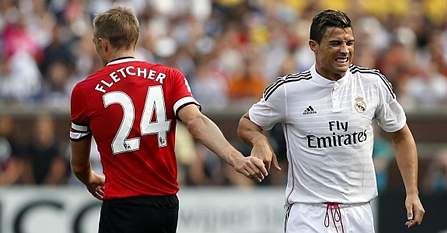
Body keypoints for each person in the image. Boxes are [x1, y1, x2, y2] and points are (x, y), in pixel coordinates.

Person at [69, 6, 268, 233]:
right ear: (135, 38)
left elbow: (79, 164)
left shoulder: (85, 90)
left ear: (103, 44)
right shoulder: (170, 76)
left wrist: (89, 178)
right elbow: (196, 122)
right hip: (164, 205)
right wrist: (236, 158)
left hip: (121, 204)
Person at [238, 9, 425, 233]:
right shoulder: (289, 90)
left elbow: (401, 135)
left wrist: (412, 192)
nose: (345, 50)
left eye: (349, 43)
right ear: (313, 46)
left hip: (359, 212)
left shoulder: (373, 84)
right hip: (307, 213)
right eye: (335, 43)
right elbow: (247, 123)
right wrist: (259, 141)